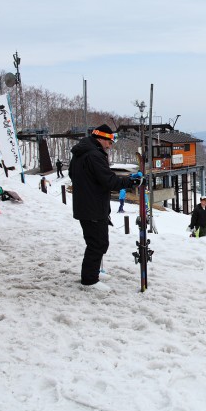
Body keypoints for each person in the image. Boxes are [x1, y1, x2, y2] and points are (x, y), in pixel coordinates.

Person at [69, 124, 140, 291]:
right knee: (98, 244)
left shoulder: (81, 153)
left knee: (95, 242)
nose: (110, 145)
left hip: (85, 205)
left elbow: (74, 175)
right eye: (109, 141)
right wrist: (131, 181)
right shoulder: (94, 155)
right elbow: (109, 181)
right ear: (100, 139)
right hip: (93, 207)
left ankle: (92, 273)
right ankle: (89, 280)